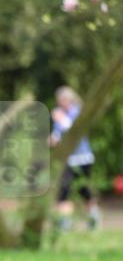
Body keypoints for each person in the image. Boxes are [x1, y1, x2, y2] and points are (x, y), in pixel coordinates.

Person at [50, 86, 100, 230]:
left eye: (62, 100)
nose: (60, 104)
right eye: (58, 101)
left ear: (69, 100)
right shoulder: (60, 115)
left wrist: (62, 119)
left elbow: (75, 130)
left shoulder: (77, 112)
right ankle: (64, 223)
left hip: (84, 158)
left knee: (84, 190)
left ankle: (93, 218)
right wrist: (52, 139)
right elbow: (57, 135)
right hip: (69, 160)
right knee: (64, 189)